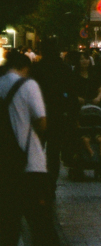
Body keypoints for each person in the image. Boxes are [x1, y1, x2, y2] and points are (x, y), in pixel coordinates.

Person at [0, 49, 58, 246]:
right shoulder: (28, 85)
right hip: (30, 165)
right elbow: (42, 122)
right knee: (41, 225)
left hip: (5, 168)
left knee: (8, 226)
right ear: (25, 67)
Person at [33, 39, 76, 199]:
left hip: (39, 116)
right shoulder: (65, 69)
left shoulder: (36, 69)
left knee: (36, 151)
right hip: (58, 116)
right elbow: (71, 93)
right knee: (53, 152)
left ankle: (37, 184)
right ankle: (51, 185)